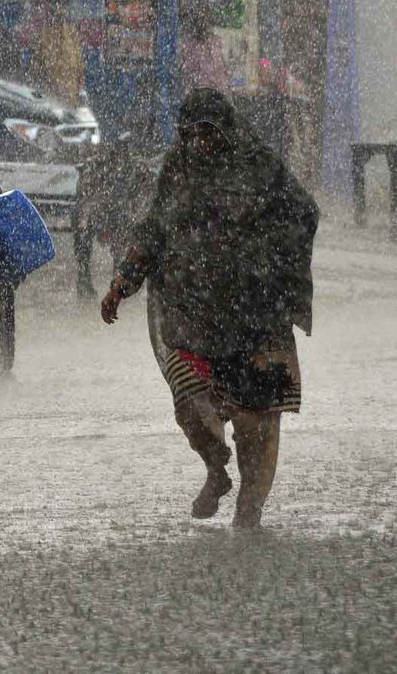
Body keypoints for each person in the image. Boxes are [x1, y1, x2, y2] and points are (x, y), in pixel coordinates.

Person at [101, 88, 318, 528]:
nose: (201, 142)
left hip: (257, 318)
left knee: (256, 424)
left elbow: (302, 214)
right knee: (191, 405)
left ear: (228, 130)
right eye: (193, 133)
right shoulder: (177, 170)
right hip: (194, 318)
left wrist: (270, 261)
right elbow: (154, 229)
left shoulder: (261, 167)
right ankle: (216, 470)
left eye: (209, 132)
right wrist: (123, 282)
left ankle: (249, 513)